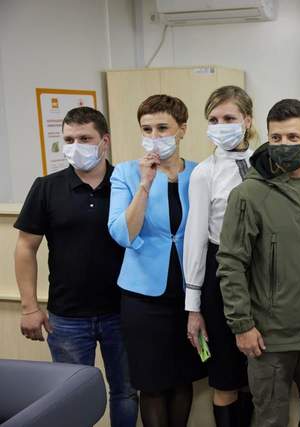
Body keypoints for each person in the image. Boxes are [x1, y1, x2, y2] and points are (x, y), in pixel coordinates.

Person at [14, 106, 138, 427]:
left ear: (104, 141)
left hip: (121, 311)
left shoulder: (126, 184)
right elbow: (26, 248)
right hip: (67, 317)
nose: (75, 146)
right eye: (69, 139)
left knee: (126, 391)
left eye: (84, 138)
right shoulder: (46, 187)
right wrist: (29, 307)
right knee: (70, 399)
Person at [216, 99, 300, 427]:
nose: (284, 145)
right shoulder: (248, 194)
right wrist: (242, 325)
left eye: (293, 137)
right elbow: (230, 263)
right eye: (276, 138)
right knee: (270, 420)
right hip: (269, 339)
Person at [108, 94, 206, 427]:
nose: (154, 136)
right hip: (143, 297)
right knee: (151, 383)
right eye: (147, 129)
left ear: (182, 130)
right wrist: (145, 184)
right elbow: (123, 234)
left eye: (163, 128)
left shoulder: (200, 173)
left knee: (182, 378)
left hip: (190, 295)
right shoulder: (125, 173)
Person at [183, 85, 255, 426]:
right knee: (226, 378)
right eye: (213, 119)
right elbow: (196, 240)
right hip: (219, 275)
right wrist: (193, 307)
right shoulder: (204, 172)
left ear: (247, 121)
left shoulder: (266, 164)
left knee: (256, 376)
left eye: (229, 118)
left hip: (260, 276)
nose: (220, 125)